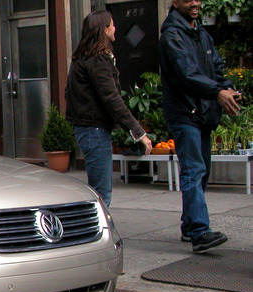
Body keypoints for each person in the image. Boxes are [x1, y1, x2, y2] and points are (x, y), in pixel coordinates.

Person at [159, 0, 241, 252]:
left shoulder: (201, 33)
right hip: (185, 113)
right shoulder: (172, 36)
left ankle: (189, 225)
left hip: (202, 112)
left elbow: (216, 66)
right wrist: (218, 91)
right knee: (194, 170)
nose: (195, 3)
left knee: (201, 170)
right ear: (175, 2)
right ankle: (198, 231)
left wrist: (227, 87)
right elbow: (186, 74)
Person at [65, 10, 152, 206]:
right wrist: (139, 133)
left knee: (98, 192)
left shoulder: (83, 58)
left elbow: (70, 94)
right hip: (93, 130)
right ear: (104, 30)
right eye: (112, 24)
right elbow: (112, 99)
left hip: (89, 129)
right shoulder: (97, 59)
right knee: (101, 195)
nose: (115, 28)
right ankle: (95, 234)